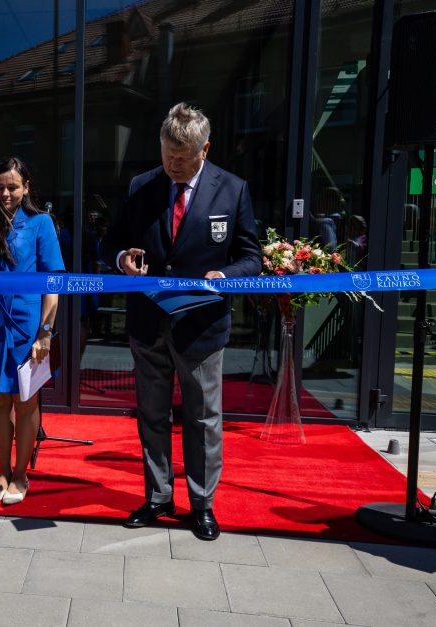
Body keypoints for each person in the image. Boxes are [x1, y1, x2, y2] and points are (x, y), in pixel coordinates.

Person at [101, 103, 261, 540]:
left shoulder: (232, 189)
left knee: (203, 418)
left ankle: (202, 504)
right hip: (148, 323)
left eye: (183, 157)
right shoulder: (141, 186)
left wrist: (225, 276)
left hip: (202, 327)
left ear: (204, 149)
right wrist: (120, 259)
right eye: (167, 154)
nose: (172, 164)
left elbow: (252, 258)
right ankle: (157, 496)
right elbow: (110, 241)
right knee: (151, 414)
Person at [0, 156, 64, 505]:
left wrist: (46, 331)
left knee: (26, 400)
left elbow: (53, 282)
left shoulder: (41, 225)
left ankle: (21, 474)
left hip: (28, 327)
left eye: (12, 187)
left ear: (26, 188)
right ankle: (2, 471)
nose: (5, 194)